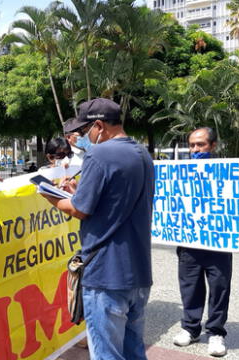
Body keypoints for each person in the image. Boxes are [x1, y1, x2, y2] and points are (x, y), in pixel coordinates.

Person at [40, 98, 154, 360]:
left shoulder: (99, 154)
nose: (81, 138)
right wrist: (78, 193)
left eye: (83, 132)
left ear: (99, 126)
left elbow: (80, 210)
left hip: (106, 271)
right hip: (138, 270)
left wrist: (51, 196)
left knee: (106, 354)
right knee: (133, 350)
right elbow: (114, 203)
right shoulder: (142, 153)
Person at [173, 127, 229, 357]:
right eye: (192, 145)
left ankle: (215, 332)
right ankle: (191, 328)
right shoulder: (179, 172)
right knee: (190, 286)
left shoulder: (228, 171)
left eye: (201, 145)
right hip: (189, 241)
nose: (195, 149)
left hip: (218, 242)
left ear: (213, 146)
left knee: (219, 288)